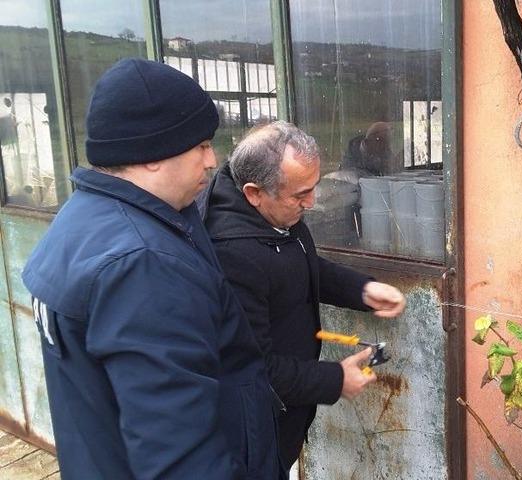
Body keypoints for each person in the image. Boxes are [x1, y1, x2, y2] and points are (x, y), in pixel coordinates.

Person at [22, 58, 280, 480]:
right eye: (199, 145)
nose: (212, 160)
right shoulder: (143, 264)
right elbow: (180, 454)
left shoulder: (87, 217)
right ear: (152, 156)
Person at [200, 121, 406, 467]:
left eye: (313, 187)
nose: (311, 203)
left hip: (286, 416)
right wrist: (335, 379)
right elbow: (253, 368)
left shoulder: (270, 213)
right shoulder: (232, 255)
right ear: (254, 192)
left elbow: (298, 265)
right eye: (300, 195)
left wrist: (361, 290)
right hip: (254, 433)